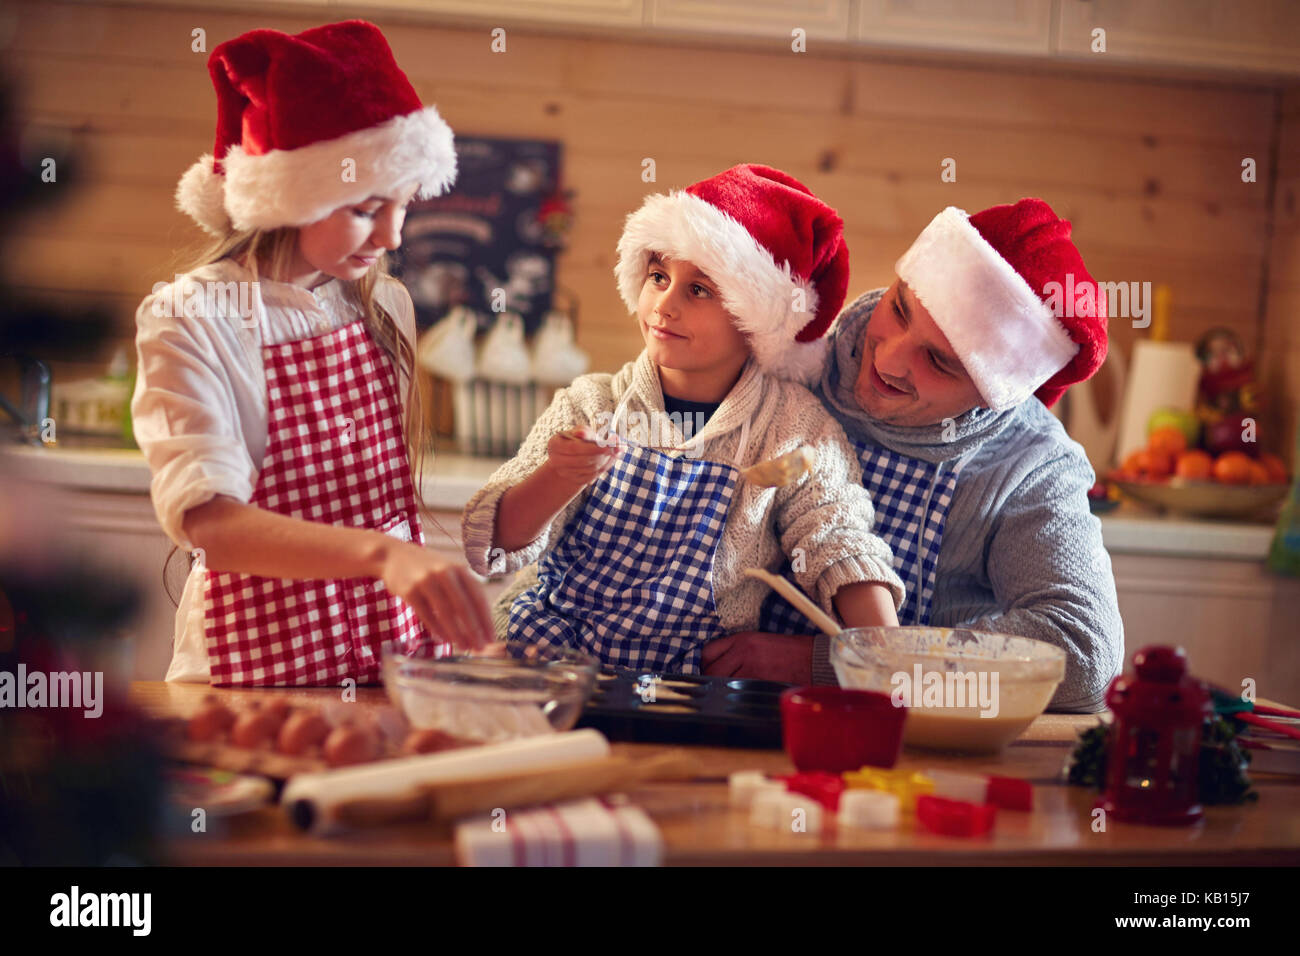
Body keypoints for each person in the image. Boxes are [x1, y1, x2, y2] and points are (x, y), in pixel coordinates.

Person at [133, 20, 495, 686]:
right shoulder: (194, 314)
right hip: (254, 660)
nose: (390, 235)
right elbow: (212, 523)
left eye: (404, 205)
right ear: (288, 199)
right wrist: (384, 555)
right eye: (364, 208)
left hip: (392, 652)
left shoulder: (383, 304)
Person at [462, 164, 905, 674]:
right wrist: (558, 477)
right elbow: (494, 545)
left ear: (755, 321)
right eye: (658, 277)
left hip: (688, 685)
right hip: (545, 665)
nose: (664, 305)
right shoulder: (591, 404)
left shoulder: (793, 430)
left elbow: (834, 534)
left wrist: (886, 655)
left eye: (700, 291)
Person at [755, 200, 1125, 710]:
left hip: (913, 740)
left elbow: (1084, 658)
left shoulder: (1029, 465)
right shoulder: (791, 357)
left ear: (991, 392)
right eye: (900, 309)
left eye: (938, 361)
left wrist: (832, 664)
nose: (887, 359)